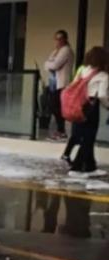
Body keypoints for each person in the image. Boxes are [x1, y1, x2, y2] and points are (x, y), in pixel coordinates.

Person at [63, 47, 109, 175]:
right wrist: (108, 106)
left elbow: (74, 84)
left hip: (79, 105)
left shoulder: (83, 70)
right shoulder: (103, 75)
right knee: (89, 138)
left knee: (85, 136)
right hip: (92, 107)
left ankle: (90, 166)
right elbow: (102, 95)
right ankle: (76, 168)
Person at [45, 30, 75, 140]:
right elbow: (46, 64)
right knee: (53, 106)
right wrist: (50, 63)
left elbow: (55, 65)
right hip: (54, 83)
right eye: (56, 38)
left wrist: (50, 63)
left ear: (65, 39)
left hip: (62, 83)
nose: (58, 41)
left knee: (56, 106)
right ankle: (60, 130)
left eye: (60, 38)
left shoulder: (66, 50)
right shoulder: (56, 51)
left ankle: (62, 131)